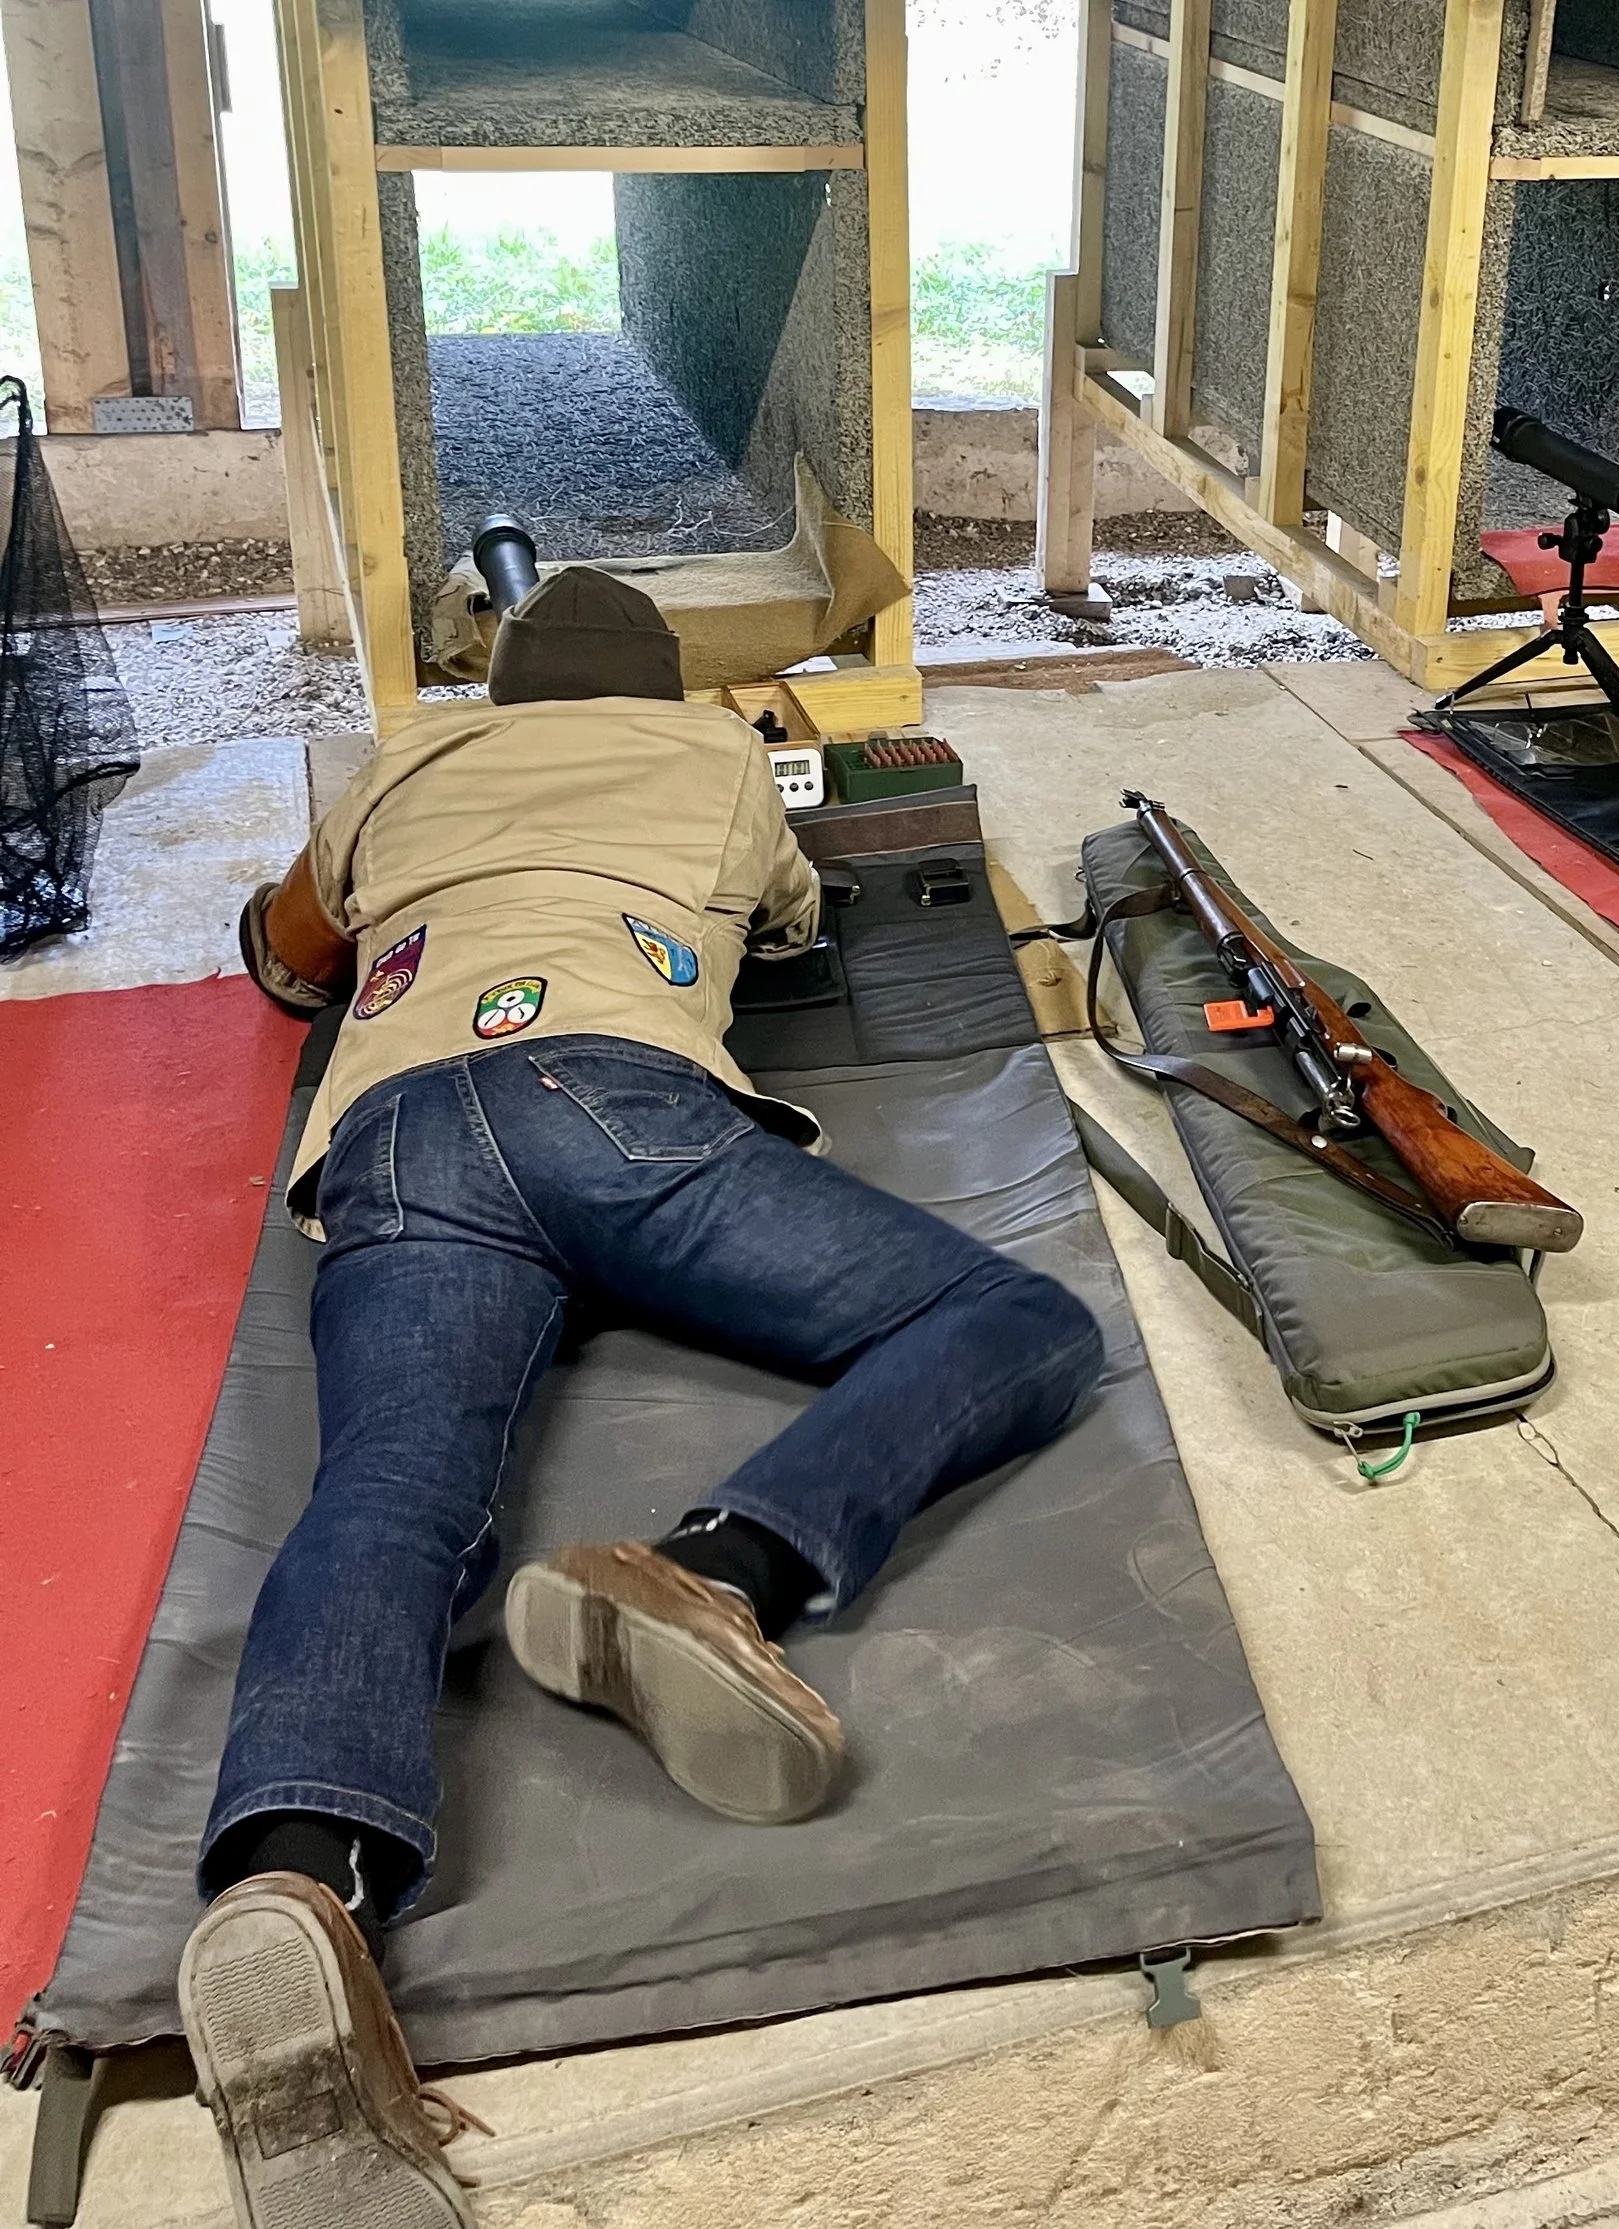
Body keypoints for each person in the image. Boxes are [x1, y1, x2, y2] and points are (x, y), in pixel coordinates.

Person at [183, 566, 1105, 2229]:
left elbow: (282, 951)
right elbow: (792, 932)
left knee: (387, 1489)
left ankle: (294, 1878)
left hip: (397, 1136)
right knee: (1015, 1315)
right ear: (660, 689)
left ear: (511, 686)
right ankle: (720, 1568)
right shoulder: (721, 760)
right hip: (609, 1092)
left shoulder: (406, 753)